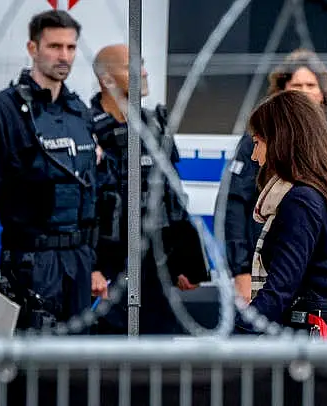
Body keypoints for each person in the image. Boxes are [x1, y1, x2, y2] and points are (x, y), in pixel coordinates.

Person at [0, 10, 100, 331]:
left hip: (77, 261)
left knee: (77, 364)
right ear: (33, 49)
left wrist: (94, 263)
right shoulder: (5, 110)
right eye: (54, 46)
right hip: (32, 260)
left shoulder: (79, 112)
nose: (64, 56)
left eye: (70, 47)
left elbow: (92, 189)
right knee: (34, 364)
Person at [223, 48, 327, 303]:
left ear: (323, 92)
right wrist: (241, 271)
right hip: (270, 263)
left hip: (321, 281)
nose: (304, 91)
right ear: (281, 91)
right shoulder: (260, 140)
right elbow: (235, 202)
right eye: (297, 85)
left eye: (311, 85)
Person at [90, 44, 209, 335]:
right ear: (106, 80)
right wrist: (92, 268)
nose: (143, 72)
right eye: (131, 66)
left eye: (142, 64)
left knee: (159, 357)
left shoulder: (155, 124)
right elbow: (82, 204)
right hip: (109, 265)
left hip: (156, 265)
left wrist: (185, 261)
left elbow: (173, 197)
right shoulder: (85, 127)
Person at [234, 90, 327, 336]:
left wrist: (230, 337)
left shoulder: (301, 200)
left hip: (303, 344)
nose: (255, 156)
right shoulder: (323, 193)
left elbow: (281, 288)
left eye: (257, 143)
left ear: (280, 141)